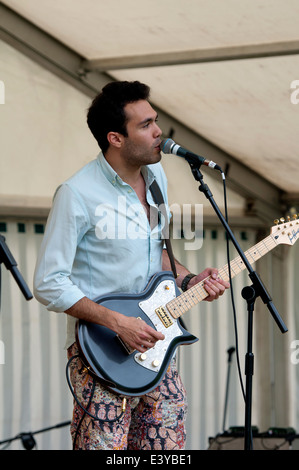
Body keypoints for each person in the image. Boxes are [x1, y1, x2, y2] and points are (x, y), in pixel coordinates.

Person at [33, 80, 229, 450]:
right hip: (101, 350)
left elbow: (157, 253)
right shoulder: (77, 193)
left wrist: (189, 280)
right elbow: (48, 282)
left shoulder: (157, 179)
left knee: (167, 449)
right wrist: (118, 323)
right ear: (115, 138)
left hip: (157, 344)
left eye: (156, 120)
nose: (159, 133)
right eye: (145, 125)